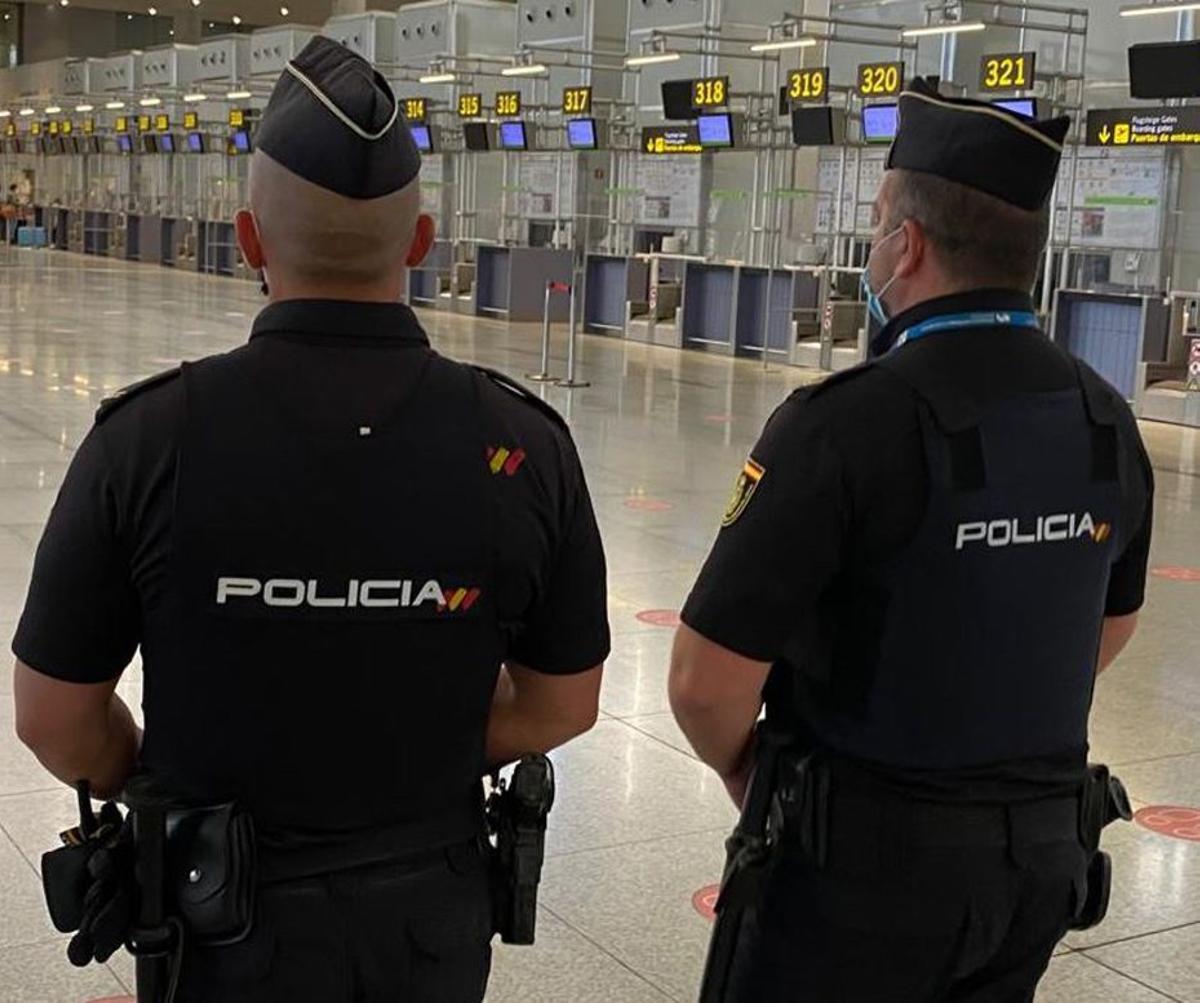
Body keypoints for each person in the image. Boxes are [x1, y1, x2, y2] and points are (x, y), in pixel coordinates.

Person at [13, 36, 609, 1003]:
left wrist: (158, 774)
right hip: (430, 930)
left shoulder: (149, 442)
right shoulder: (524, 447)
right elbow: (564, 704)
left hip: (217, 927)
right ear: (421, 243)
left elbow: (53, 717)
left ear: (249, 240)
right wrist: (429, 759)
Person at [670, 78, 1154, 1002]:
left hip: (857, 879)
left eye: (878, 223)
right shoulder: (1104, 419)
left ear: (909, 243)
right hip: (1034, 870)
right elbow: (1111, 622)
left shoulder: (844, 424)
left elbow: (703, 681)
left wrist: (757, 779)